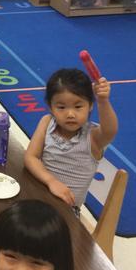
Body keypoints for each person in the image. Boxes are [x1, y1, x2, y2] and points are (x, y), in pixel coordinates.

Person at [24, 68, 118, 215]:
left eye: (78, 106)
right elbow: (31, 157)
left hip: (66, 212)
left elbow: (110, 130)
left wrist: (103, 101)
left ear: (90, 105)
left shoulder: (92, 137)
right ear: (50, 107)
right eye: (61, 107)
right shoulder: (47, 122)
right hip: (39, 198)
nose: (70, 114)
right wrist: (51, 181)